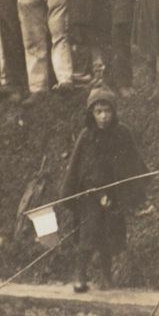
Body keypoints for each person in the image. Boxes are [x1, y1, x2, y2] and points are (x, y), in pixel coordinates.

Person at [60, 88, 148, 292]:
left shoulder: (122, 133)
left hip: (114, 195)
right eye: (98, 111)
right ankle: (80, 275)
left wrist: (128, 191)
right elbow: (82, 168)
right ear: (91, 113)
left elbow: (131, 163)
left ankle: (106, 277)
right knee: (88, 234)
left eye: (107, 111)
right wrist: (97, 192)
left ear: (114, 112)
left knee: (108, 236)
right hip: (90, 195)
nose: (103, 116)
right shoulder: (87, 136)